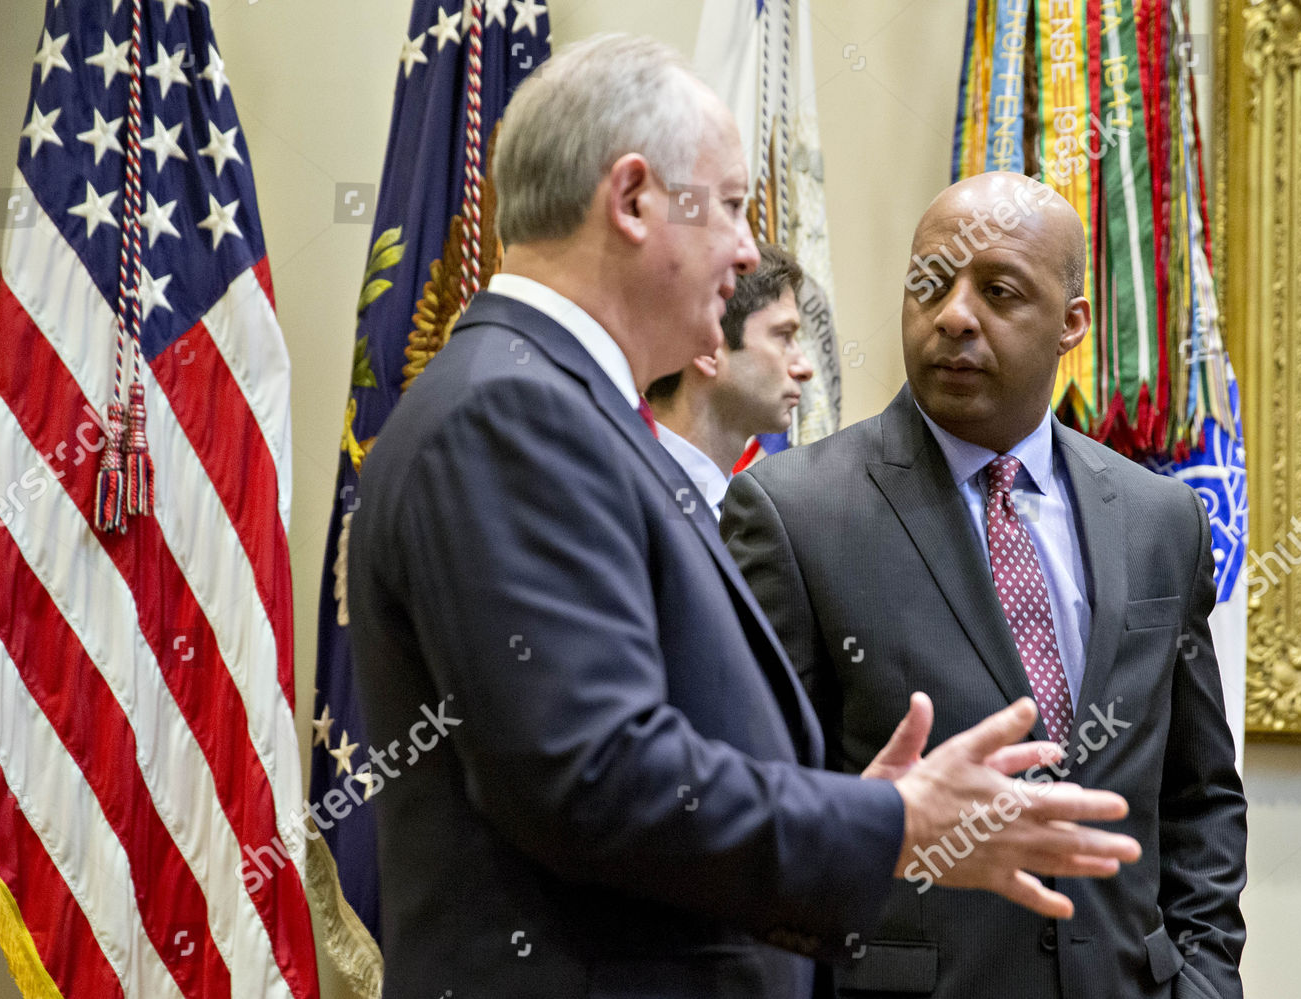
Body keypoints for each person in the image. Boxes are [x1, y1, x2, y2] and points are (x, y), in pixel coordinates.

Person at [347, 38, 1141, 999]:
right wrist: (890, 824)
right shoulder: (510, 414)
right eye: (727, 205)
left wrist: (865, 809)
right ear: (635, 200)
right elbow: (594, 776)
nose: (749, 250)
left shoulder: (566, 408)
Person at [722, 171, 1248, 999]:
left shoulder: (1160, 519)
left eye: (998, 291)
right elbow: (751, 813)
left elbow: (1200, 793)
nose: (954, 315)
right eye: (931, 284)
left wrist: (1206, 980)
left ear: (1073, 323)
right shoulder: (793, 514)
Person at [644, 240, 813, 519]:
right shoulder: (630, 497)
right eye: (784, 336)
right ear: (706, 347)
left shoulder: (744, 508)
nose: (805, 368)